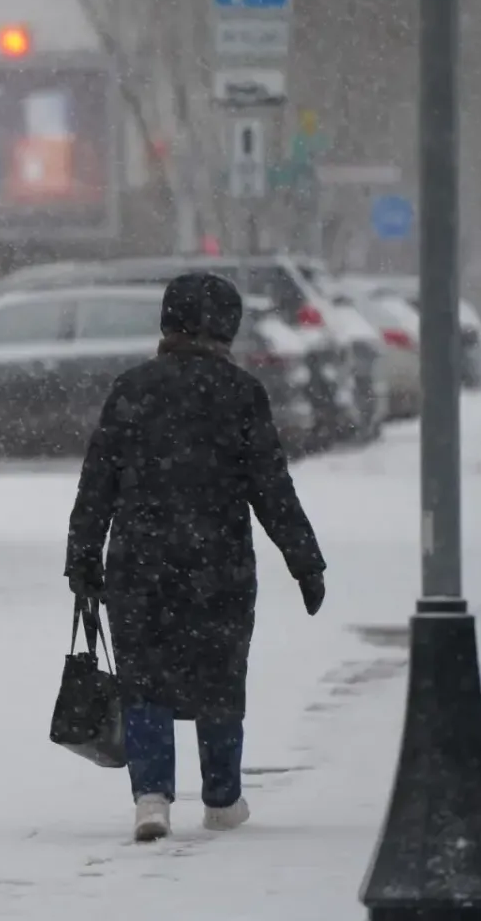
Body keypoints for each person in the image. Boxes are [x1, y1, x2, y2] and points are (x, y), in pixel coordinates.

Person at [64, 271, 326, 843]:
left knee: (144, 678)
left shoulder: (131, 388)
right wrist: (305, 560)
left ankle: (152, 796)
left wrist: (83, 555)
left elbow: (97, 482)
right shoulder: (240, 393)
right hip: (218, 562)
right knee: (220, 676)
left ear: (167, 322)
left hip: (140, 560)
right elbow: (271, 487)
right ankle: (222, 797)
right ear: (226, 328)